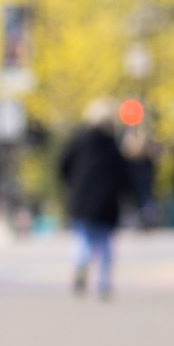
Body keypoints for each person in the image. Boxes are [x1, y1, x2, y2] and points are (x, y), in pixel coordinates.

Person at [58, 102, 132, 300]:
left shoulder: (78, 140)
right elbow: (123, 173)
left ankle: (81, 266)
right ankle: (104, 281)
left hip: (82, 197)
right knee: (106, 242)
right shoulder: (112, 144)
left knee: (83, 237)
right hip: (107, 200)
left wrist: (70, 184)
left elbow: (63, 164)